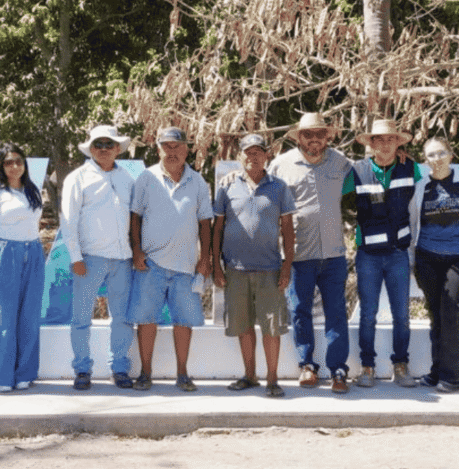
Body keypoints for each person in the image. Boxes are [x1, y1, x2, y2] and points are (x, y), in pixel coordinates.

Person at [268, 112, 352, 393]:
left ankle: (338, 370)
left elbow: (373, 170)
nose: (314, 139)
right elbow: (263, 191)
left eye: (320, 134)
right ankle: (307, 366)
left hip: (334, 253)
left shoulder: (341, 162)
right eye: (308, 134)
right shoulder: (281, 165)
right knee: (299, 311)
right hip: (298, 254)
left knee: (336, 313)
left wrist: (400, 156)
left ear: (328, 136)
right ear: (299, 137)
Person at [128, 127, 213, 392]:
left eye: (177, 147)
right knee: (146, 320)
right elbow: (135, 217)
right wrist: (137, 250)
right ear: (158, 149)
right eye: (166, 146)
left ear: (187, 149)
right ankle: (145, 373)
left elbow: (205, 223)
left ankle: (183, 374)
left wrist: (205, 258)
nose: (172, 152)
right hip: (150, 263)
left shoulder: (198, 182)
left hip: (186, 265)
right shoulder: (145, 178)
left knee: (183, 322)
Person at [213, 134, 296, 398]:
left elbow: (288, 230)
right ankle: (250, 376)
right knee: (243, 325)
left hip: (270, 269)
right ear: (241, 156)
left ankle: (272, 379)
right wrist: (216, 264)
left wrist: (287, 266)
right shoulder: (226, 186)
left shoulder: (279, 187)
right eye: (248, 152)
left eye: (258, 152)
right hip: (236, 269)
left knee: (272, 327)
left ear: (266, 155)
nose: (253, 157)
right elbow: (217, 229)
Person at [344, 118, 421, 389]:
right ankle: (367, 367)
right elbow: (336, 197)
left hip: (398, 253)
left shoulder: (411, 168)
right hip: (368, 256)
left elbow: (420, 203)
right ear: (372, 144)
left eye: (391, 139)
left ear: (398, 143)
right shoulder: (356, 171)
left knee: (402, 314)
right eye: (380, 139)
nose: (386, 144)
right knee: (368, 314)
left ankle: (401, 365)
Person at [409, 137, 459, 392]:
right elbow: (413, 224)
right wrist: (413, 259)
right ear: (425, 160)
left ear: (451, 155)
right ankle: (437, 371)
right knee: (436, 315)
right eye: (431, 155)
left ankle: (453, 377)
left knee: (453, 313)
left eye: (442, 152)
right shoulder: (421, 187)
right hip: (428, 257)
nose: (437, 158)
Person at [60, 124, 135, 390]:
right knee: (81, 318)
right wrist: (75, 257)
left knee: (123, 318)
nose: (103, 149)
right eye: (98, 144)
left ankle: (120, 368)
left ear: (118, 148)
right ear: (91, 149)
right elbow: (68, 220)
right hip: (89, 259)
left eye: (108, 144)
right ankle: (82, 369)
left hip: (123, 259)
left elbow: (135, 219)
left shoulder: (127, 178)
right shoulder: (77, 178)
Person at [0, 143, 45, 392]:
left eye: (18, 161)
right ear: (1, 166)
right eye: (8, 162)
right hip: (5, 254)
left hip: (34, 252)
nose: (14, 166)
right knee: (3, 317)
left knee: (30, 315)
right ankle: (2, 376)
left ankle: (25, 373)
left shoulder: (33, 191)